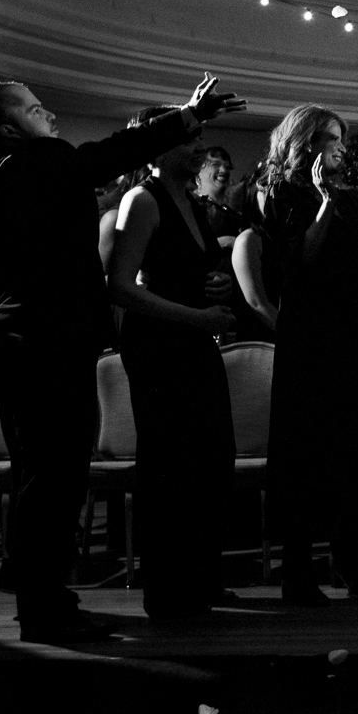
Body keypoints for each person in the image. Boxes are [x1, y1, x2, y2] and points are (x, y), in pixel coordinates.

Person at [0, 75, 243, 643]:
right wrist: (185, 115)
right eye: (39, 110)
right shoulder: (33, 164)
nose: (52, 119)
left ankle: (45, 601)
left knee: (45, 480)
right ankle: (44, 611)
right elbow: (107, 155)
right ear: (10, 127)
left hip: (22, 343)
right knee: (51, 482)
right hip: (40, 346)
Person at [106, 106, 238, 619]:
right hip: (160, 344)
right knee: (171, 466)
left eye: (200, 136)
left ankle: (198, 578)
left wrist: (218, 285)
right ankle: (167, 590)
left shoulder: (190, 200)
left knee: (210, 460)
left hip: (190, 337)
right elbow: (120, 287)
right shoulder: (143, 199)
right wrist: (194, 316)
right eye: (188, 140)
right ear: (157, 150)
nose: (200, 146)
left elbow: (186, 270)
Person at [260, 104, 358, 606]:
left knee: (356, 453)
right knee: (306, 455)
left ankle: (351, 560)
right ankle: (297, 570)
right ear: (305, 142)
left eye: (341, 138)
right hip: (310, 339)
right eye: (329, 138)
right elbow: (301, 261)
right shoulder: (279, 193)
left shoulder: (348, 197)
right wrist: (322, 201)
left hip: (352, 337)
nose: (339, 146)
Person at [193, 145, 243, 263]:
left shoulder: (232, 212)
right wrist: (227, 241)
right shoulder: (194, 207)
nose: (224, 171)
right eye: (215, 165)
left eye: (227, 167)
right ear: (198, 171)